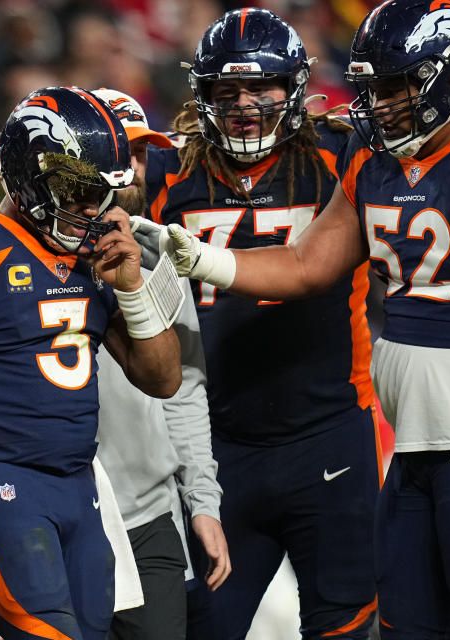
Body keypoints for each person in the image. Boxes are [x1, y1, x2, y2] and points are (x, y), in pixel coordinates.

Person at [134, 1, 450, 637]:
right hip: (416, 429)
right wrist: (206, 259)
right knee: (406, 623)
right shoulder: (371, 154)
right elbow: (309, 263)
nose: (379, 105)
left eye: (395, 88)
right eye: (370, 90)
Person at [0, 86, 182, 640]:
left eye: (100, 191)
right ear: (28, 175)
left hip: (78, 484)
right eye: (76, 188)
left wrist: (131, 288)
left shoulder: (95, 254)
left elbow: (164, 378)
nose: (89, 206)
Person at [134, 8, 382, 638]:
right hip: (218, 446)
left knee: (347, 625)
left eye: (262, 88)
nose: (244, 105)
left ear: (295, 86)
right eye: (227, 90)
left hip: (329, 432)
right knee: (205, 627)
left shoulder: (343, 156)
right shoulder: (169, 172)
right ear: (203, 94)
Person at [91, 87, 230, 640]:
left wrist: (202, 500)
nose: (134, 169)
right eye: (122, 152)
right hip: (58, 510)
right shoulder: (21, 258)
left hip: (149, 517)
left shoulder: (161, 257)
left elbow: (184, 392)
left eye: (142, 153)